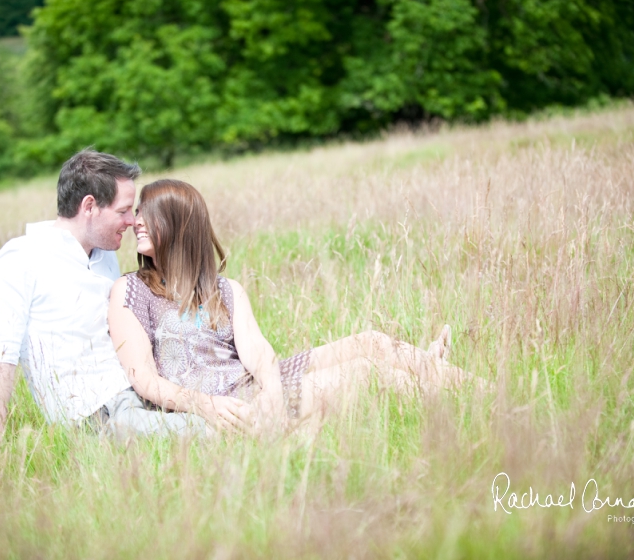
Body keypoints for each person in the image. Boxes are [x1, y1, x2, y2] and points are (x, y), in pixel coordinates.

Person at [107, 179, 488, 432]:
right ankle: (453, 388)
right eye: (136, 213)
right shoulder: (131, 291)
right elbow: (144, 378)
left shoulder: (224, 289)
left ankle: (483, 392)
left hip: (253, 385)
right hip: (224, 404)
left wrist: (273, 389)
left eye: (146, 213)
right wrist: (203, 405)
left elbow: (256, 350)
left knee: (370, 341)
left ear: (179, 225)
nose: (136, 221)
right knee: (366, 371)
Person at [0, 151, 205, 452]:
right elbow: (1, 354)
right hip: (97, 414)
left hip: (145, 390)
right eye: (124, 210)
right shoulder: (21, 259)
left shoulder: (105, 256)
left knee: (245, 394)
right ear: (89, 206)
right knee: (207, 430)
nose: (133, 220)